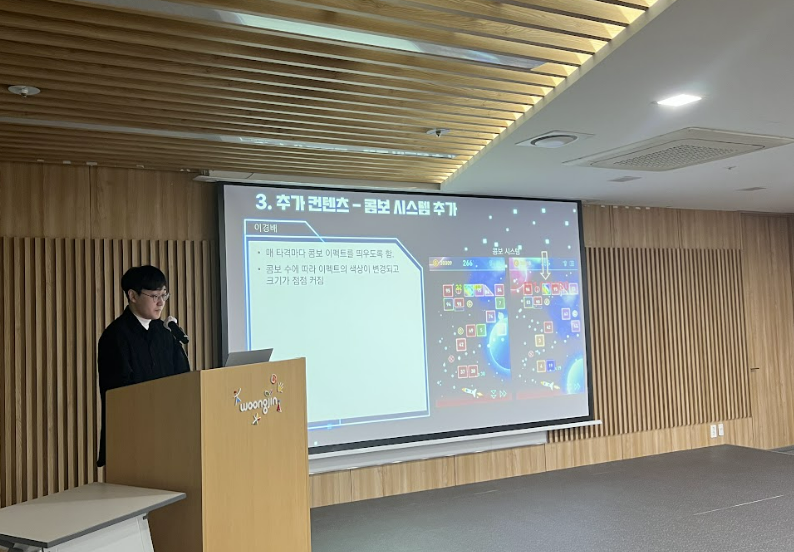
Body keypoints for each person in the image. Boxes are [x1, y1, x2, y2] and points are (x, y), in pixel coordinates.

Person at [96, 265, 190, 467]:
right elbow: (120, 394)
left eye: (164, 295)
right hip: (132, 440)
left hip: (169, 436)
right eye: (154, 296)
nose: (161, 302)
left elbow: (184, 378)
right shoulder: (115, 337)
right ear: (132, 296)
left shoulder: (165, 334)